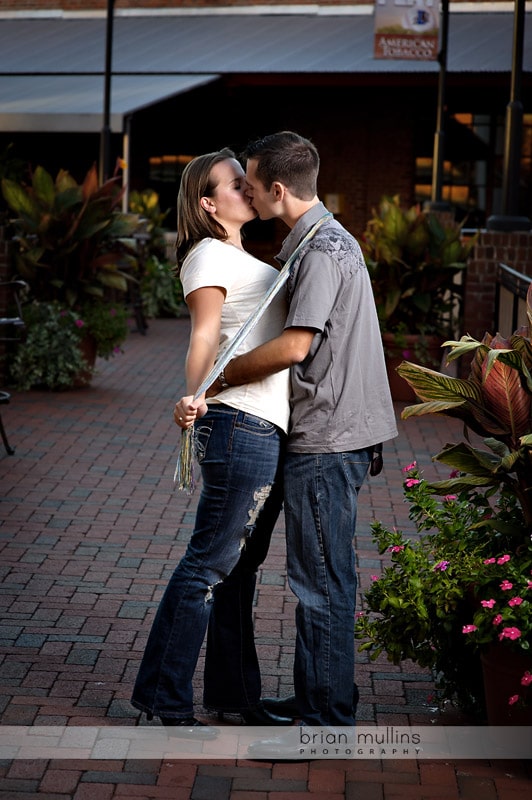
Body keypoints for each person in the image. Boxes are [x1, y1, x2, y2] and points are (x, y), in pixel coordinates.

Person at [206, 131, 398, 747]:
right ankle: (322, 697)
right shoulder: (325, 238)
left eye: (254, 187)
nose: (250, 196)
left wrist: (221, 374)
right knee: (320, 578)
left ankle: (326, 722)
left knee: (321, 584)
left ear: (279, 190)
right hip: (331, 432)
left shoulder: (319, 251)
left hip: (327, 438)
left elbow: (296, 345)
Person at [130, 148, 294, 739]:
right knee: (208, 566)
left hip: (262, 424)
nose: (247, 188)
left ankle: (232, 693)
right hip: (238, 424)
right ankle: (163, 696)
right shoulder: (206, 256)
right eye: (234, 183)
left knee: (235, 571)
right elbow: (204, 336)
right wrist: (194, 392)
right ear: (207, 201)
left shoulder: (238, 253)